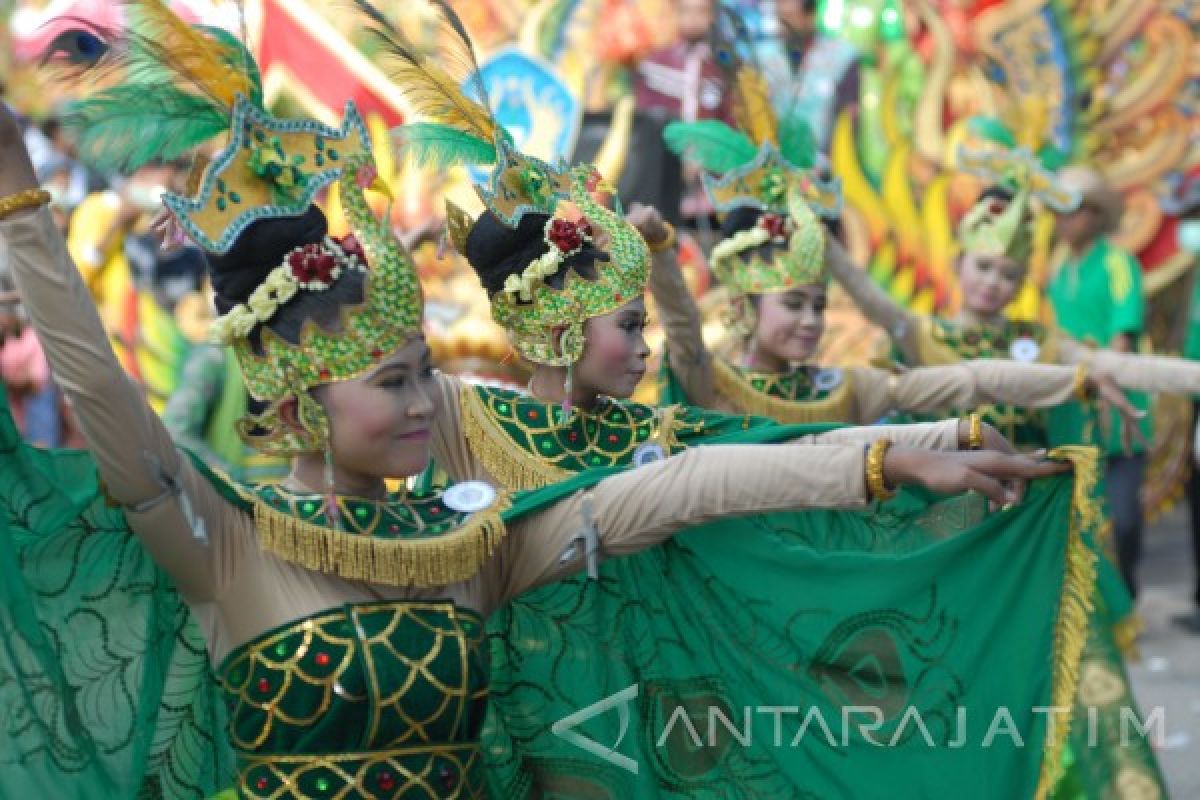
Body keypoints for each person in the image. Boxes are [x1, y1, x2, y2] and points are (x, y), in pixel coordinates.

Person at [0, 9, 1067, 797]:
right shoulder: (224, 540)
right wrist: (19, 204)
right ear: (295, 395)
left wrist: (898, 457)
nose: (427, 400)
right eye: (393, 380)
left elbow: (683, 483)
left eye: (426, 369)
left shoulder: (472, 543)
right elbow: (100, 389)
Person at [1048, 166, 1152, 599]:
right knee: (1078, 520)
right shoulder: (1057, 271)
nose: (1063, 220)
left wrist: (1104, 377)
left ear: (1094, 214)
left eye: (1072, 211)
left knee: (1124, 519)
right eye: (1058, 211)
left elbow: (1122, 337)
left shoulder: (1117, 262)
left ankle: (1127, 597)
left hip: (1120, 413)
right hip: (1074, 413)